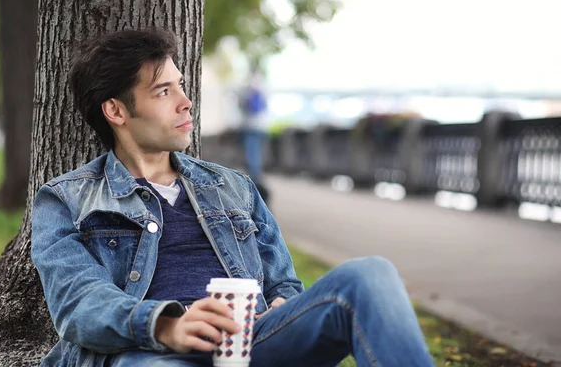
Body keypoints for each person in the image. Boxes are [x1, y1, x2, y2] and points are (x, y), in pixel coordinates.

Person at [31, 28, 434, 367]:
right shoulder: (66, 199)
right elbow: (77, 303)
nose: (186, 102)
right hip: (149, 352)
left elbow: (283, 283)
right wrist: (168, 325)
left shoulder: (233, 186)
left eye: (181, 86)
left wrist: (281, 303)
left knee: (370, 274)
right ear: (116, 111)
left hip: (250, 343)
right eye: (163, 91)